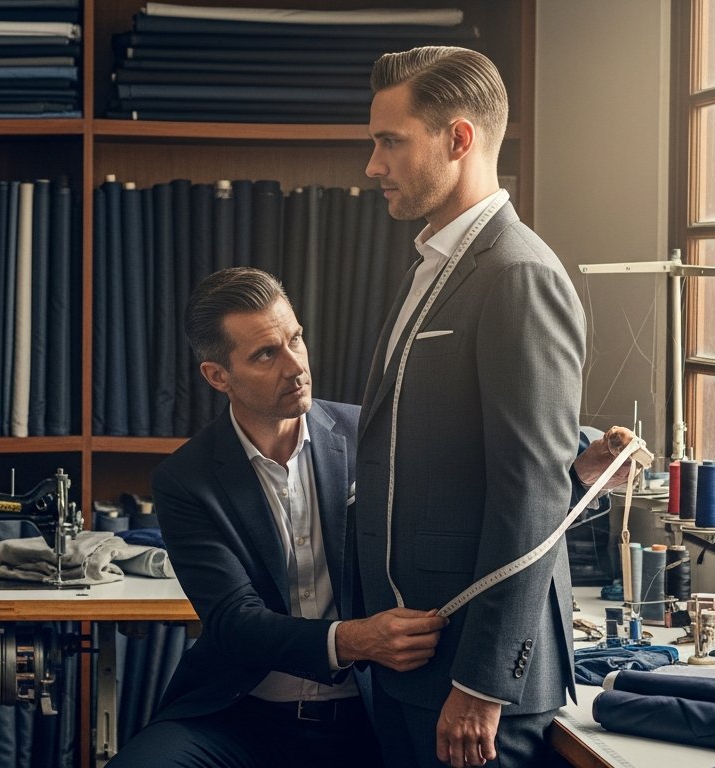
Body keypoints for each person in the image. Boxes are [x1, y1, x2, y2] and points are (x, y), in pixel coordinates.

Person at [109, 267, 450, 767]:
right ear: (217, 375)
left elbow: (466, 498)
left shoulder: (371, 436)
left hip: (369, 718)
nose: (295, 366)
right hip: (237, 717)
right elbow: (235, 623)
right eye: (266, 354)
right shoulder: (185, 479)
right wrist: (358, 639)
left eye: (295, 339)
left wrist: (576, 472)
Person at [353, 46, 585, 767]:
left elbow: (533, 491)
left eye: (390, 141)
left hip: (473, 684)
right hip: (408, 659)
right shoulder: (432, 262)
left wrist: (482, 683)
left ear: (458, 139)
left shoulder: (518, 275)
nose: (372, 165)